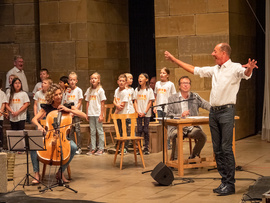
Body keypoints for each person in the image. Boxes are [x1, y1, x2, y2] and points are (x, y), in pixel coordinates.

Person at [164, 43, 258, 196]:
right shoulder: (215, 69)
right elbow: (194, 69)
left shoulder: (234, 68)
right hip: (214, 113)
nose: (212, 53)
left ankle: (230, 184)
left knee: (226, 147)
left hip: (226, 111)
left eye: (215, 51)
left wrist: (249, 68)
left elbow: (245, 74)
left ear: (224, 53)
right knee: (217, 149)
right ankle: (223, 182)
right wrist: (174, 59)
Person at [31, 83, 87, 183]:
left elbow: (84, 115)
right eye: (56, 95)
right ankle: (36, 174)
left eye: (60, 94)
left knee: (73, 147)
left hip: (63, 138)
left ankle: (60, 172)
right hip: (49, 136)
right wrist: (39, 126)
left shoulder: (67, 105)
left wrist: (68, 110)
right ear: (51, 96)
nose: (59, 96)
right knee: (33, 146)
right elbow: (34, 119)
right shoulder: (47, 108)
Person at [167, 76, 211, 160]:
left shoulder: (195, 97)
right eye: (183, 83)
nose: (185, 85)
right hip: (177, 127)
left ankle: (193, 156)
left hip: (191, 127)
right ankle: (176, 160)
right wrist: (180, 115)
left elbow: (205, 104)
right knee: (176, 135)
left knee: (203, 137)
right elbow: (169, 114)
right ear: (179, 86)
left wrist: (215, 109)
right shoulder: (172, 98)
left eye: (187, 83)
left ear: (190, 85)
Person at [85, 72, 106, 156]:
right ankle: (93, 148)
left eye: (95, 78)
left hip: (98, 113)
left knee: (99, 131)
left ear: (99, 80)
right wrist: (87, 113)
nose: (93, 80)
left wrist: (101, 114)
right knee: (92, 131)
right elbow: (87, 102)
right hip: (91, 113)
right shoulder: (89, 90)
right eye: (92, 78)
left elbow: (102, 103)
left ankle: (101, 148)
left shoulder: (100, 90)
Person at [154, 67, 176, 148]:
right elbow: (156, 96)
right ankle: (162, 144)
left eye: (163, 73)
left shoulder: (171, 84)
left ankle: (168, 144)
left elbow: (173, 97)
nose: (161, 74)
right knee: (161, 127)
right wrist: (155, 106)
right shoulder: (157, 84)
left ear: (168, 75)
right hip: (159, 107)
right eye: (160, 73)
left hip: (168, 108)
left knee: (168, 127)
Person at [134, 73, 155, 155]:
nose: (140, 79)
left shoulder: (149, 90)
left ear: (146, 79)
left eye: (142, 77)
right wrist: (137, 111)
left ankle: (146, 148)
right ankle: (139, 147)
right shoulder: (137, 90)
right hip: (139, 113)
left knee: (146, 130)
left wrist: (145, 112)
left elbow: (150, 102)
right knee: (139, 130)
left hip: (146, 113)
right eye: (139, 77)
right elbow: (135, 101)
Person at [64, 72, 84, 155]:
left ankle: (79, 147)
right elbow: (65, 101)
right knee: (70, 131)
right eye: (70, 80)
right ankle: (72, 147)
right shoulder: (67, 90)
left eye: (74, 80)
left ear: (76, 81)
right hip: (69, 114)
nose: (72, 81)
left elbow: (79, 102)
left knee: (77, 130)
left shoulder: (78, 90)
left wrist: (74, 111)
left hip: (76, 114)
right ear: (68, 81)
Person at [113, 74, 129, 154]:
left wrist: (115, 113)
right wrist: (116, 105)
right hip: (118, 114)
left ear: (126, 82)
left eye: (123, 81)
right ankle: (119, 146)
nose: (121, 82)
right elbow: (114, 100)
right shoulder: (117, 90)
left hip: (124, 115)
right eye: (120, 81)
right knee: (119, 131)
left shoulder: (125, 92)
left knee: (124, 131)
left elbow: (122, 105)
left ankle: (125, 148)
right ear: (117, 82)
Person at [0, 79, 8, 149]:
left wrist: (1, 111)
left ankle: (0, 146)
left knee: (0, 131)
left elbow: (3, 103)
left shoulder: (2, 93)